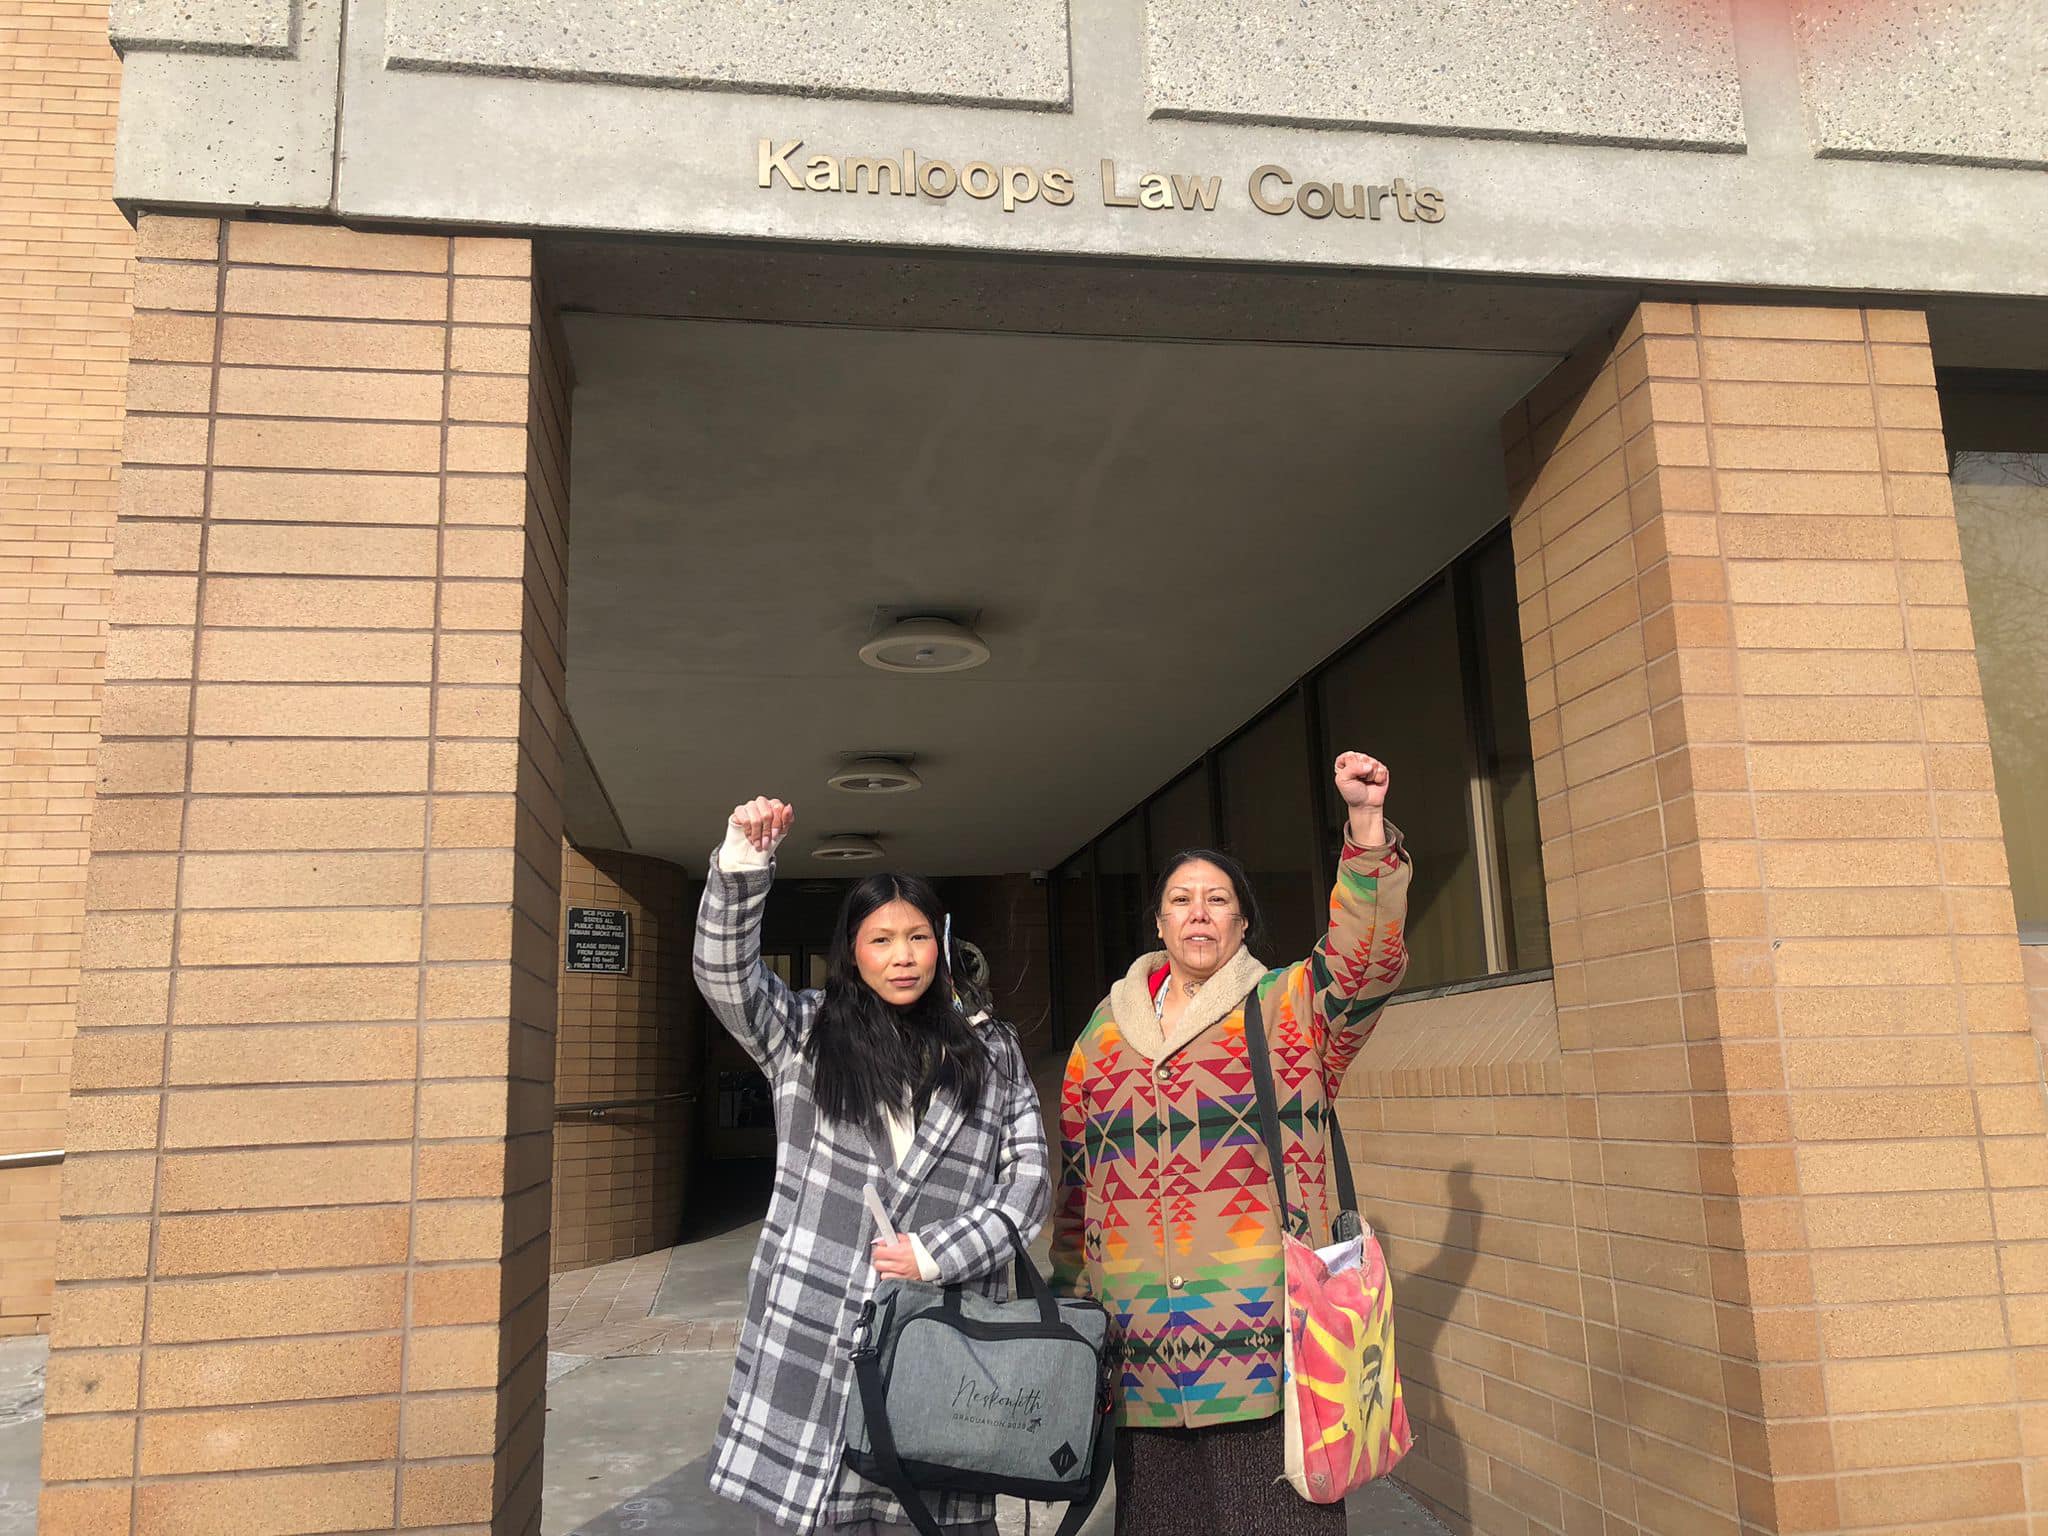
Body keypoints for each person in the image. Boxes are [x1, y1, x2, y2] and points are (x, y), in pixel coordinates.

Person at [1050, 752, 1411, 1535]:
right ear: (1158, 924)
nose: (1199, 914)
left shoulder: (1289, 1010)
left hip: (1270, 1360)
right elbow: (1078, 1192)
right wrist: (1072, 1316)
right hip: (1139, 1365)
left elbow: (1365, 962)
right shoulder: (1098, 1041)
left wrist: (1365, 832)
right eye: (1181, 900)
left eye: (1218, 900)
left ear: (1243, 924)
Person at [694, 796, 1051, 1536]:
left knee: (932, 1514)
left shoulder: (992, 1051)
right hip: (814, 1324)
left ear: (940, 945)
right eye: (881, 939)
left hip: (942, 1329)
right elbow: (724, 975)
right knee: (817, 1514)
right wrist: (742, 863)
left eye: (917, 937)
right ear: (852, 950)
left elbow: (1028, 1186)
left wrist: (935, 1253)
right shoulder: (804, 1033)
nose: (902, 956)